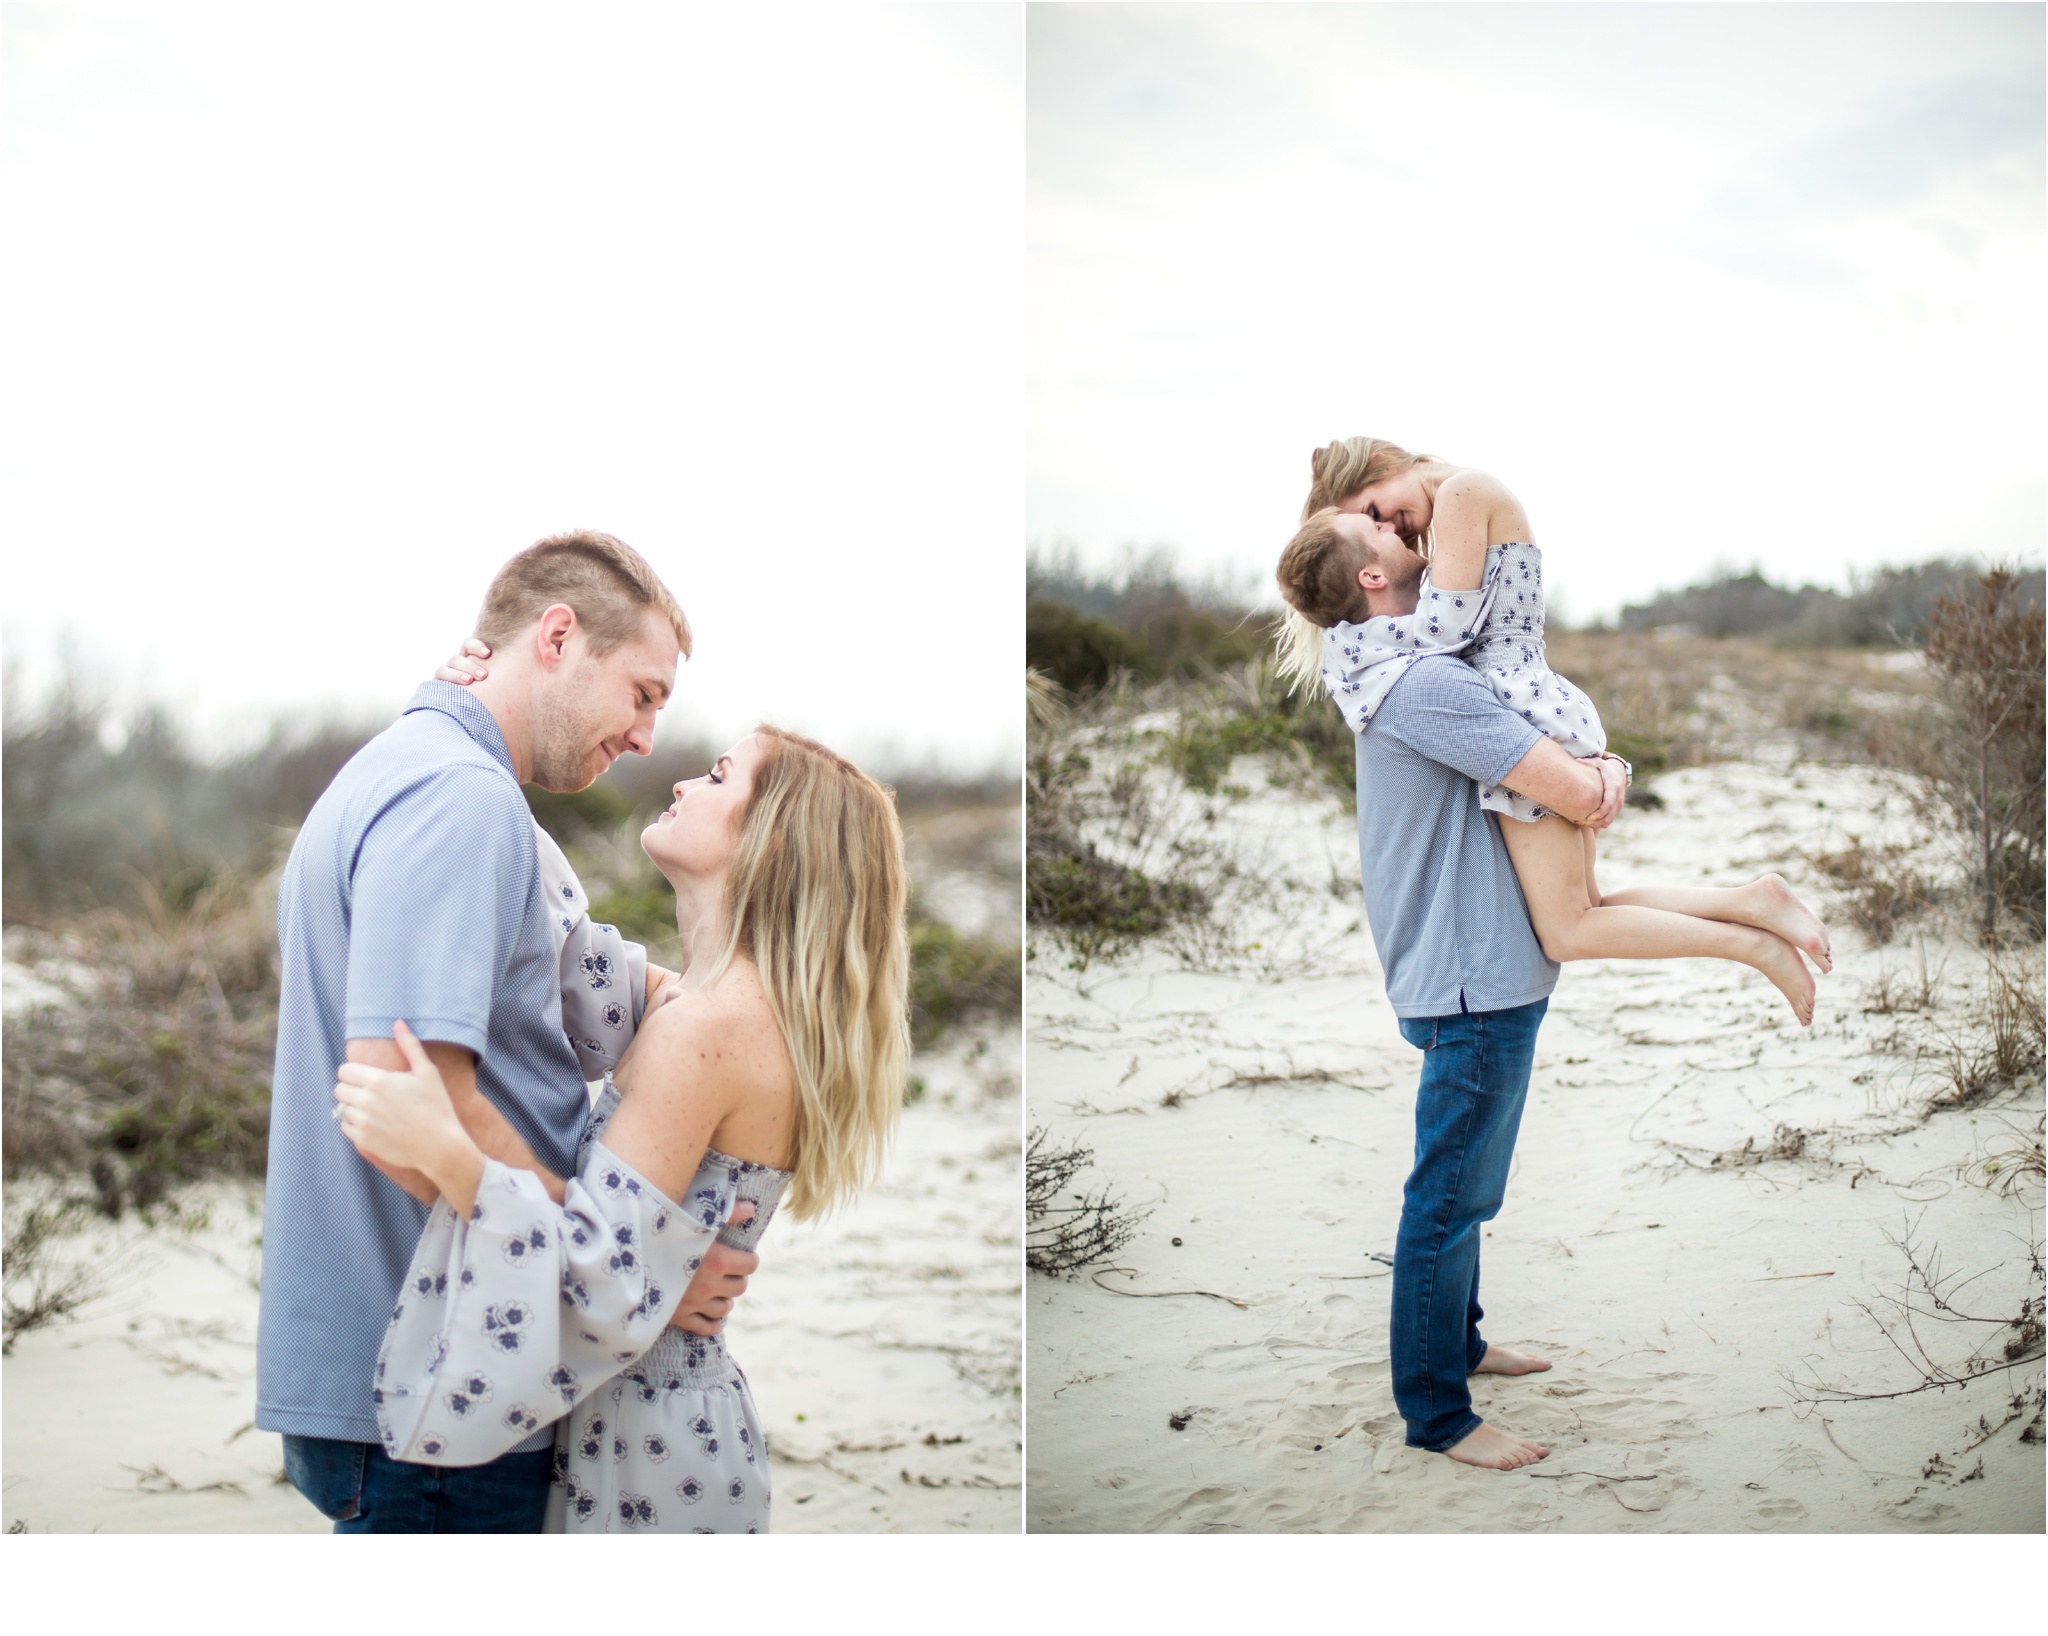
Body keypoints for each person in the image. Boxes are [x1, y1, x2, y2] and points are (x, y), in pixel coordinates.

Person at [256, 531, 759, 1532]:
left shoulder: (415, 769)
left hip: (412, 1368)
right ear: (559, 636)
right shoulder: (459, 796)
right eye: (643, 692)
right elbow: (411, 1101)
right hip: (446, 1381)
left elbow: (589, 981)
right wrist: (639, 1273)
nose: (645, 737)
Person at [331, 725, 911, 1532]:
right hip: (667, 1426)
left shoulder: (703, 1032)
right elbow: (572, 955)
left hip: (646, 1442)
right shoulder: (717, 1007)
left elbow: (598, 1279)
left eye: (716, 777)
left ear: (770, 838)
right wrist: (470, 725)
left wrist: (449, 1153)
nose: (682, 784)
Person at [1276, 436, 1831, 1025]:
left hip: (1519, 705)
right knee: (1589, 906)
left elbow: (1445, 631)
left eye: (1372, 511)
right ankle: (1751, 904)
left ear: (1382, 466)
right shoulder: (1458, 498)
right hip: (1529, 699)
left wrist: (1354, 647)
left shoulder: (1462, 493)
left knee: (1569, 930)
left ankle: (1753, 944)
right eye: (1373, 524)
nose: (1388, 525)